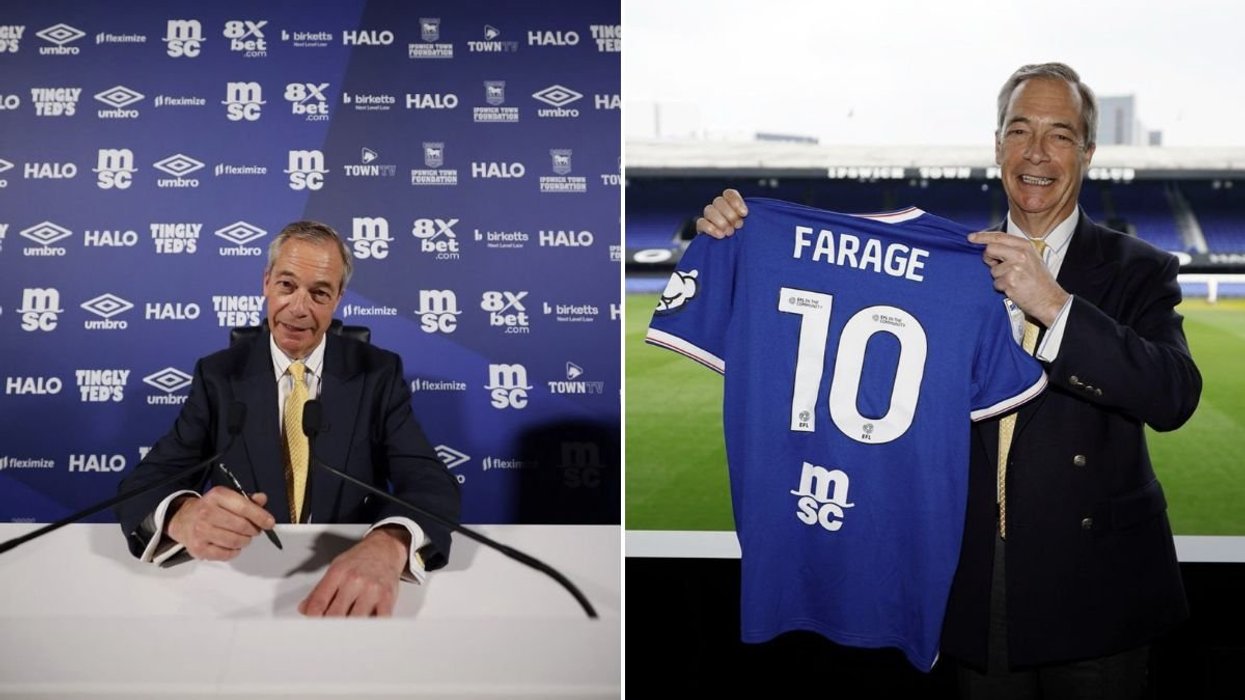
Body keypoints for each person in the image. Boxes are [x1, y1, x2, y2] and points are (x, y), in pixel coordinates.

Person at [695, 63, 1201, 698]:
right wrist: (738, 236)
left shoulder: (1139, 269)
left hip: (1098, 583)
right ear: (997, 146)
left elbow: (1174, 394)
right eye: (1019, 131)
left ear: (1088, 152)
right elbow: (820, 277)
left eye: (1060, 134)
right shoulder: (940, 264)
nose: (1036, 152)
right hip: (973, 576)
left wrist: (1056, 307)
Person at [115, 220, 461, 617]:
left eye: (319, 293)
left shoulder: (377, 373)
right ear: (266, 283)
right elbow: (146, 482)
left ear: (337, 300)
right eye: (286, 285)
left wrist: (390, 544)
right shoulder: (218, 375)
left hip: (346, 577)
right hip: (234, 585)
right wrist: (182, 516)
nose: (298, 308)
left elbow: (429, 481)